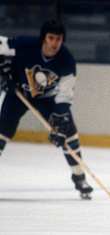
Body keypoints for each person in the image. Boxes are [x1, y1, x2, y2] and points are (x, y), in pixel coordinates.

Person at [0, 19, 93, 199]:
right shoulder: (25, 45)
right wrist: (3, 70)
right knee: (2, 133)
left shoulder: (66, 60)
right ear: (43, 38)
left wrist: (59, 118)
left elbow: (65, 95)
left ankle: (79, 177)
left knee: (69, 134)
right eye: (51, 38)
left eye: (58, 39)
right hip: (18, 93)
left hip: (48, 99)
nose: (54, 43)